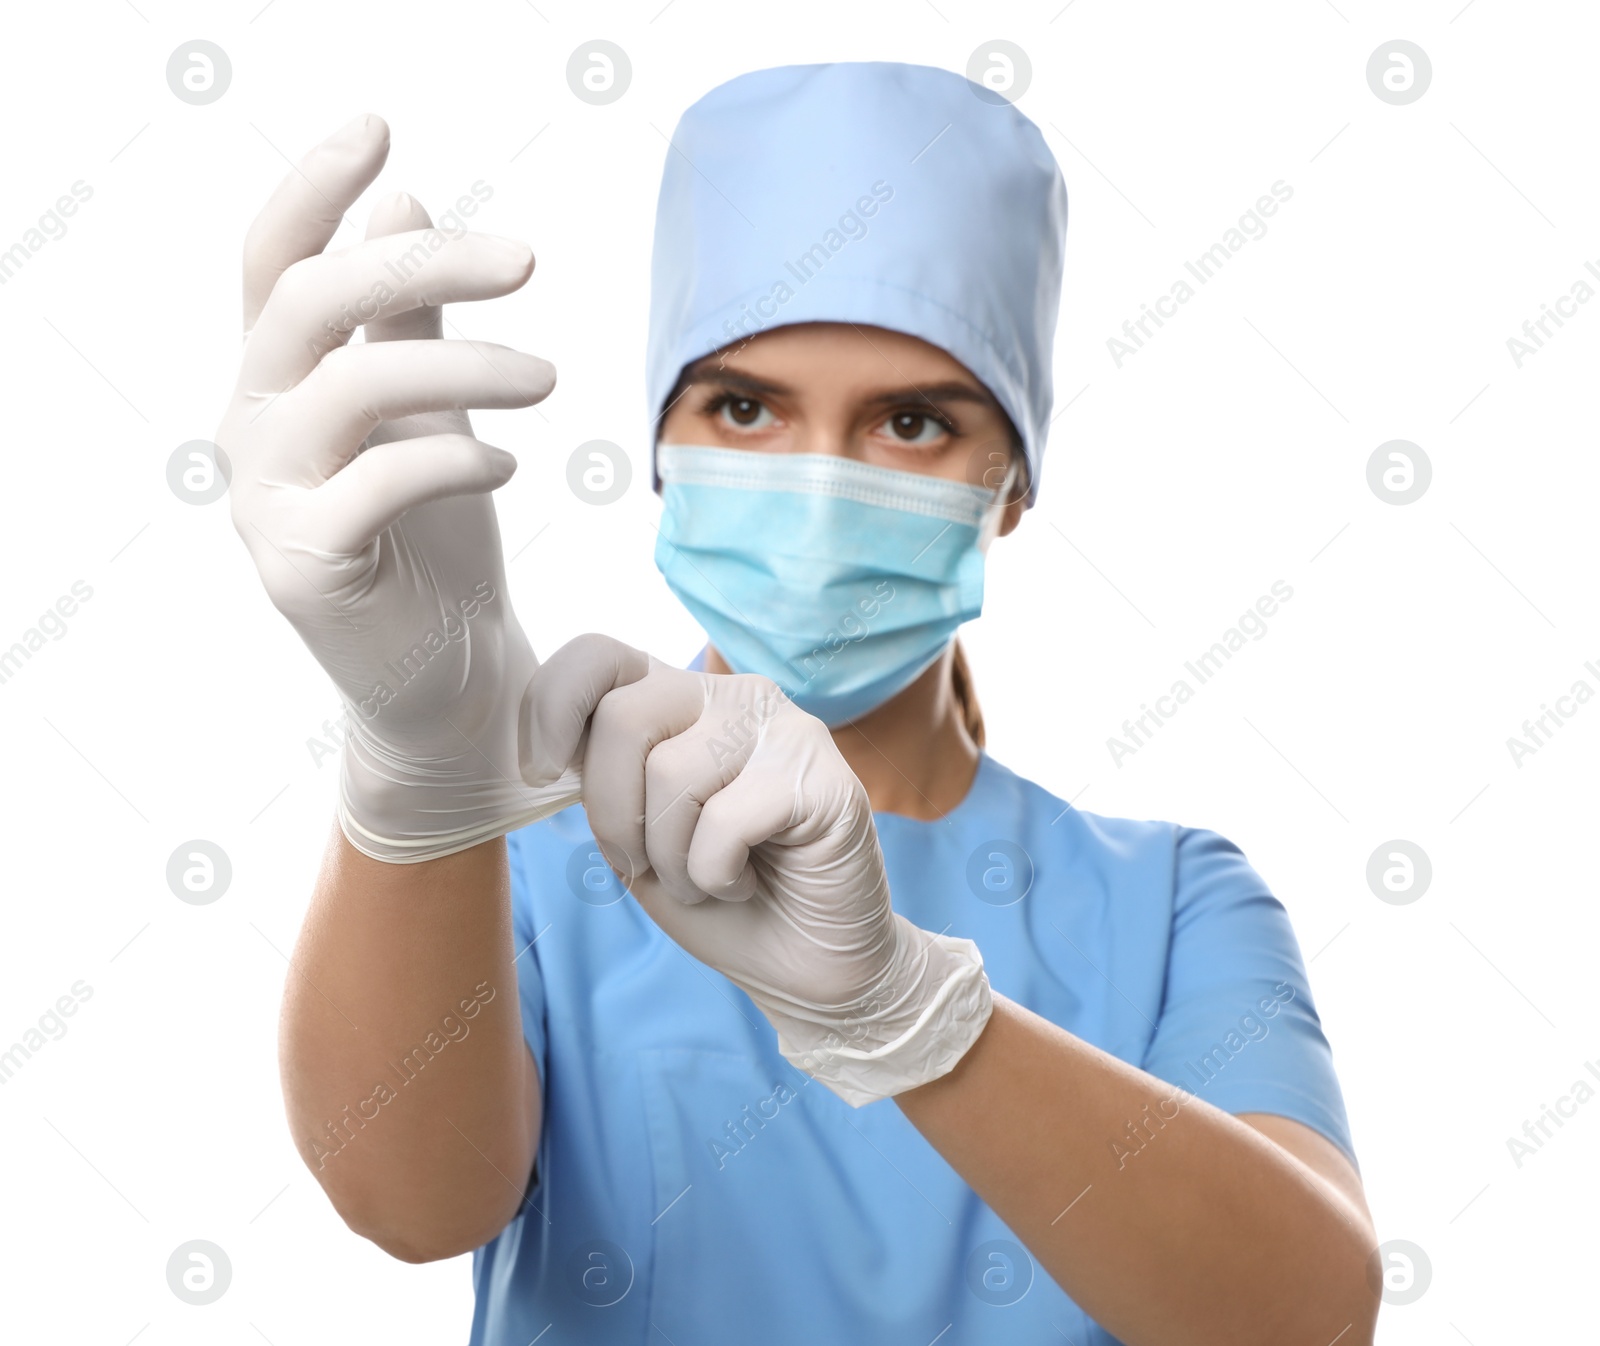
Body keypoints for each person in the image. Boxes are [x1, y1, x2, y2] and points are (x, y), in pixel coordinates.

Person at [218, 63, 1379, 1346]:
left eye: (913, 423)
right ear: (661, 454)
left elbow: (1305, 1318)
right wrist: (415, 759)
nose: (819, 483)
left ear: (1015, 483)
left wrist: (907, 1013)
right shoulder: (522, 857)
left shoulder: (1171, 901)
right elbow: (405, 1201)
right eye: (746, 406)